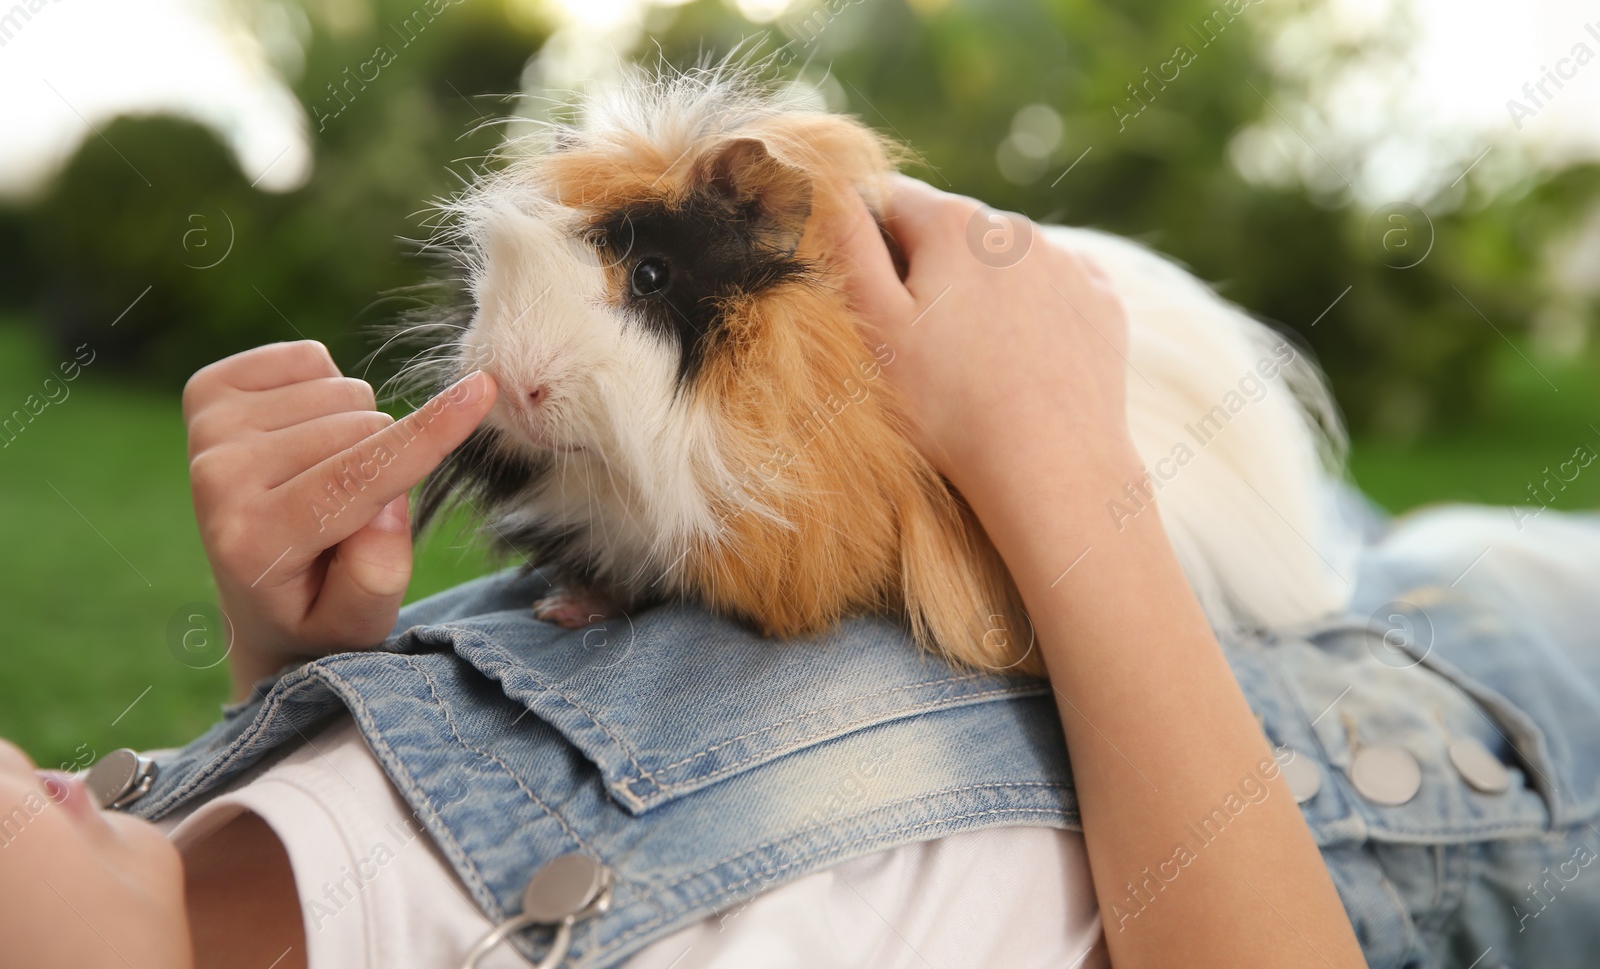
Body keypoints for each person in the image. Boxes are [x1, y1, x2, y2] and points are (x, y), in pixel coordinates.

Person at [2, 177, 1596, 968]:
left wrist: (288, 664)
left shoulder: (159, 824)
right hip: (1450, 741)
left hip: (1281, 571)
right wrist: (1058, 466)